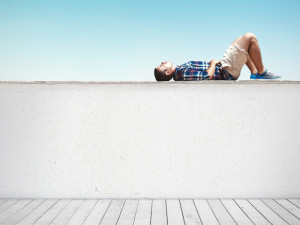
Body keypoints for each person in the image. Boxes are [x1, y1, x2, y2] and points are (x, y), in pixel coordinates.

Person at [154, 32, 282, 81]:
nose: (163, 61)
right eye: (162, 65)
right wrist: (213, 63)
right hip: (227, 72)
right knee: (250, 37)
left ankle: (254, 73)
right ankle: (262, 72)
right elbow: (206, 77)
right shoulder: (181, 73)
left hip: (224, 69)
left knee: (240, 40)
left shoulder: (180, 70)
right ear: (168, 72)